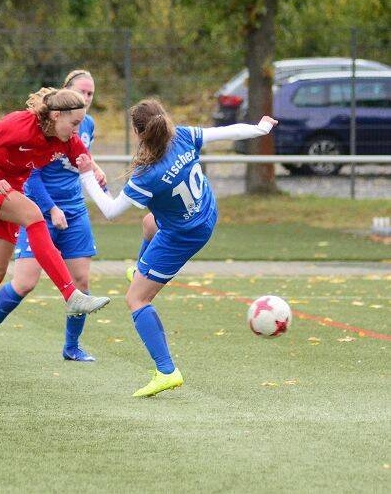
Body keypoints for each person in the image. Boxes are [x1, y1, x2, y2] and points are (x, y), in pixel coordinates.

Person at [76, 98, 277, 397]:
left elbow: (111, 211)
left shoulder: (148, 175)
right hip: (206, 211)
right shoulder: (182, 135)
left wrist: (85, 175)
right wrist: (260, 129)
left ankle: (166, 371)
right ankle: (140, 272)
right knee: (149, 223)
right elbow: (227, 132)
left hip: (184, 234)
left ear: (138, 132)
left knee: (136, 299)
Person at [0, 87, 111, 366]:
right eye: (74, 123)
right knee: (33, 215)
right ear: (55, 116)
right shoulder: (21, 124)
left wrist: (97, 177)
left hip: (10, 189)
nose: (77, 130)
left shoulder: (67, 139)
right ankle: (71, 294)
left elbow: (86, 166)